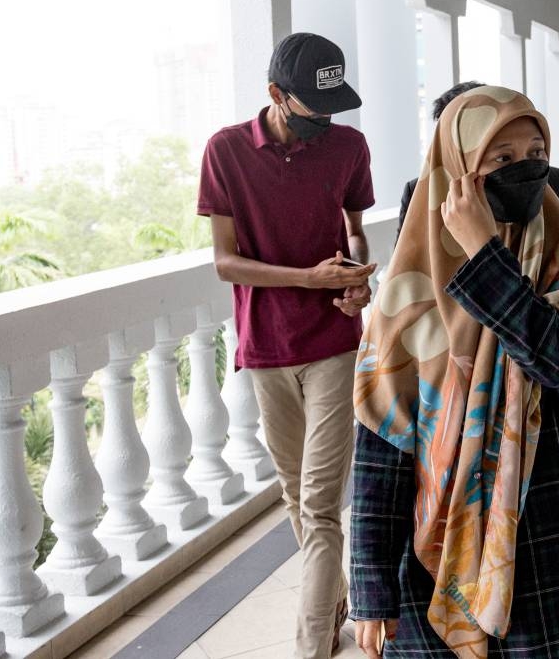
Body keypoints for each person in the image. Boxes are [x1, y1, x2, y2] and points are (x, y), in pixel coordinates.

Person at [349, 85, 559, 657]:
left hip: (547, 506)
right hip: (436, 531)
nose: (524, 171)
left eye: (535, 155)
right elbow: (381, 447)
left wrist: (484, 253)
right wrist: (371, 592)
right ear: (456, 169)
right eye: (501, 160)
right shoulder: (409, 297)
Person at [198, 32, 377, 657]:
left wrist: (358, 277)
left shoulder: (349, 147)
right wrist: (308, 278)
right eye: (311, 110)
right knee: (295, 494)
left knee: (321, 503)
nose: (323, 123)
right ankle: (337, 606)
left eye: (332, 108)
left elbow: (356, 235)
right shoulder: (225, 151)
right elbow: (225, 263)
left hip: (333, 338)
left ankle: (311, 645)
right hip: (265, 345)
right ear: (275, 95)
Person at [399, 82, 559, 290]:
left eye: (536, 152)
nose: (524, 166)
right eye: (502, 157)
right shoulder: (422, 197)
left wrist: (547, 278)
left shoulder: (553, 185)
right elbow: (407, 282)